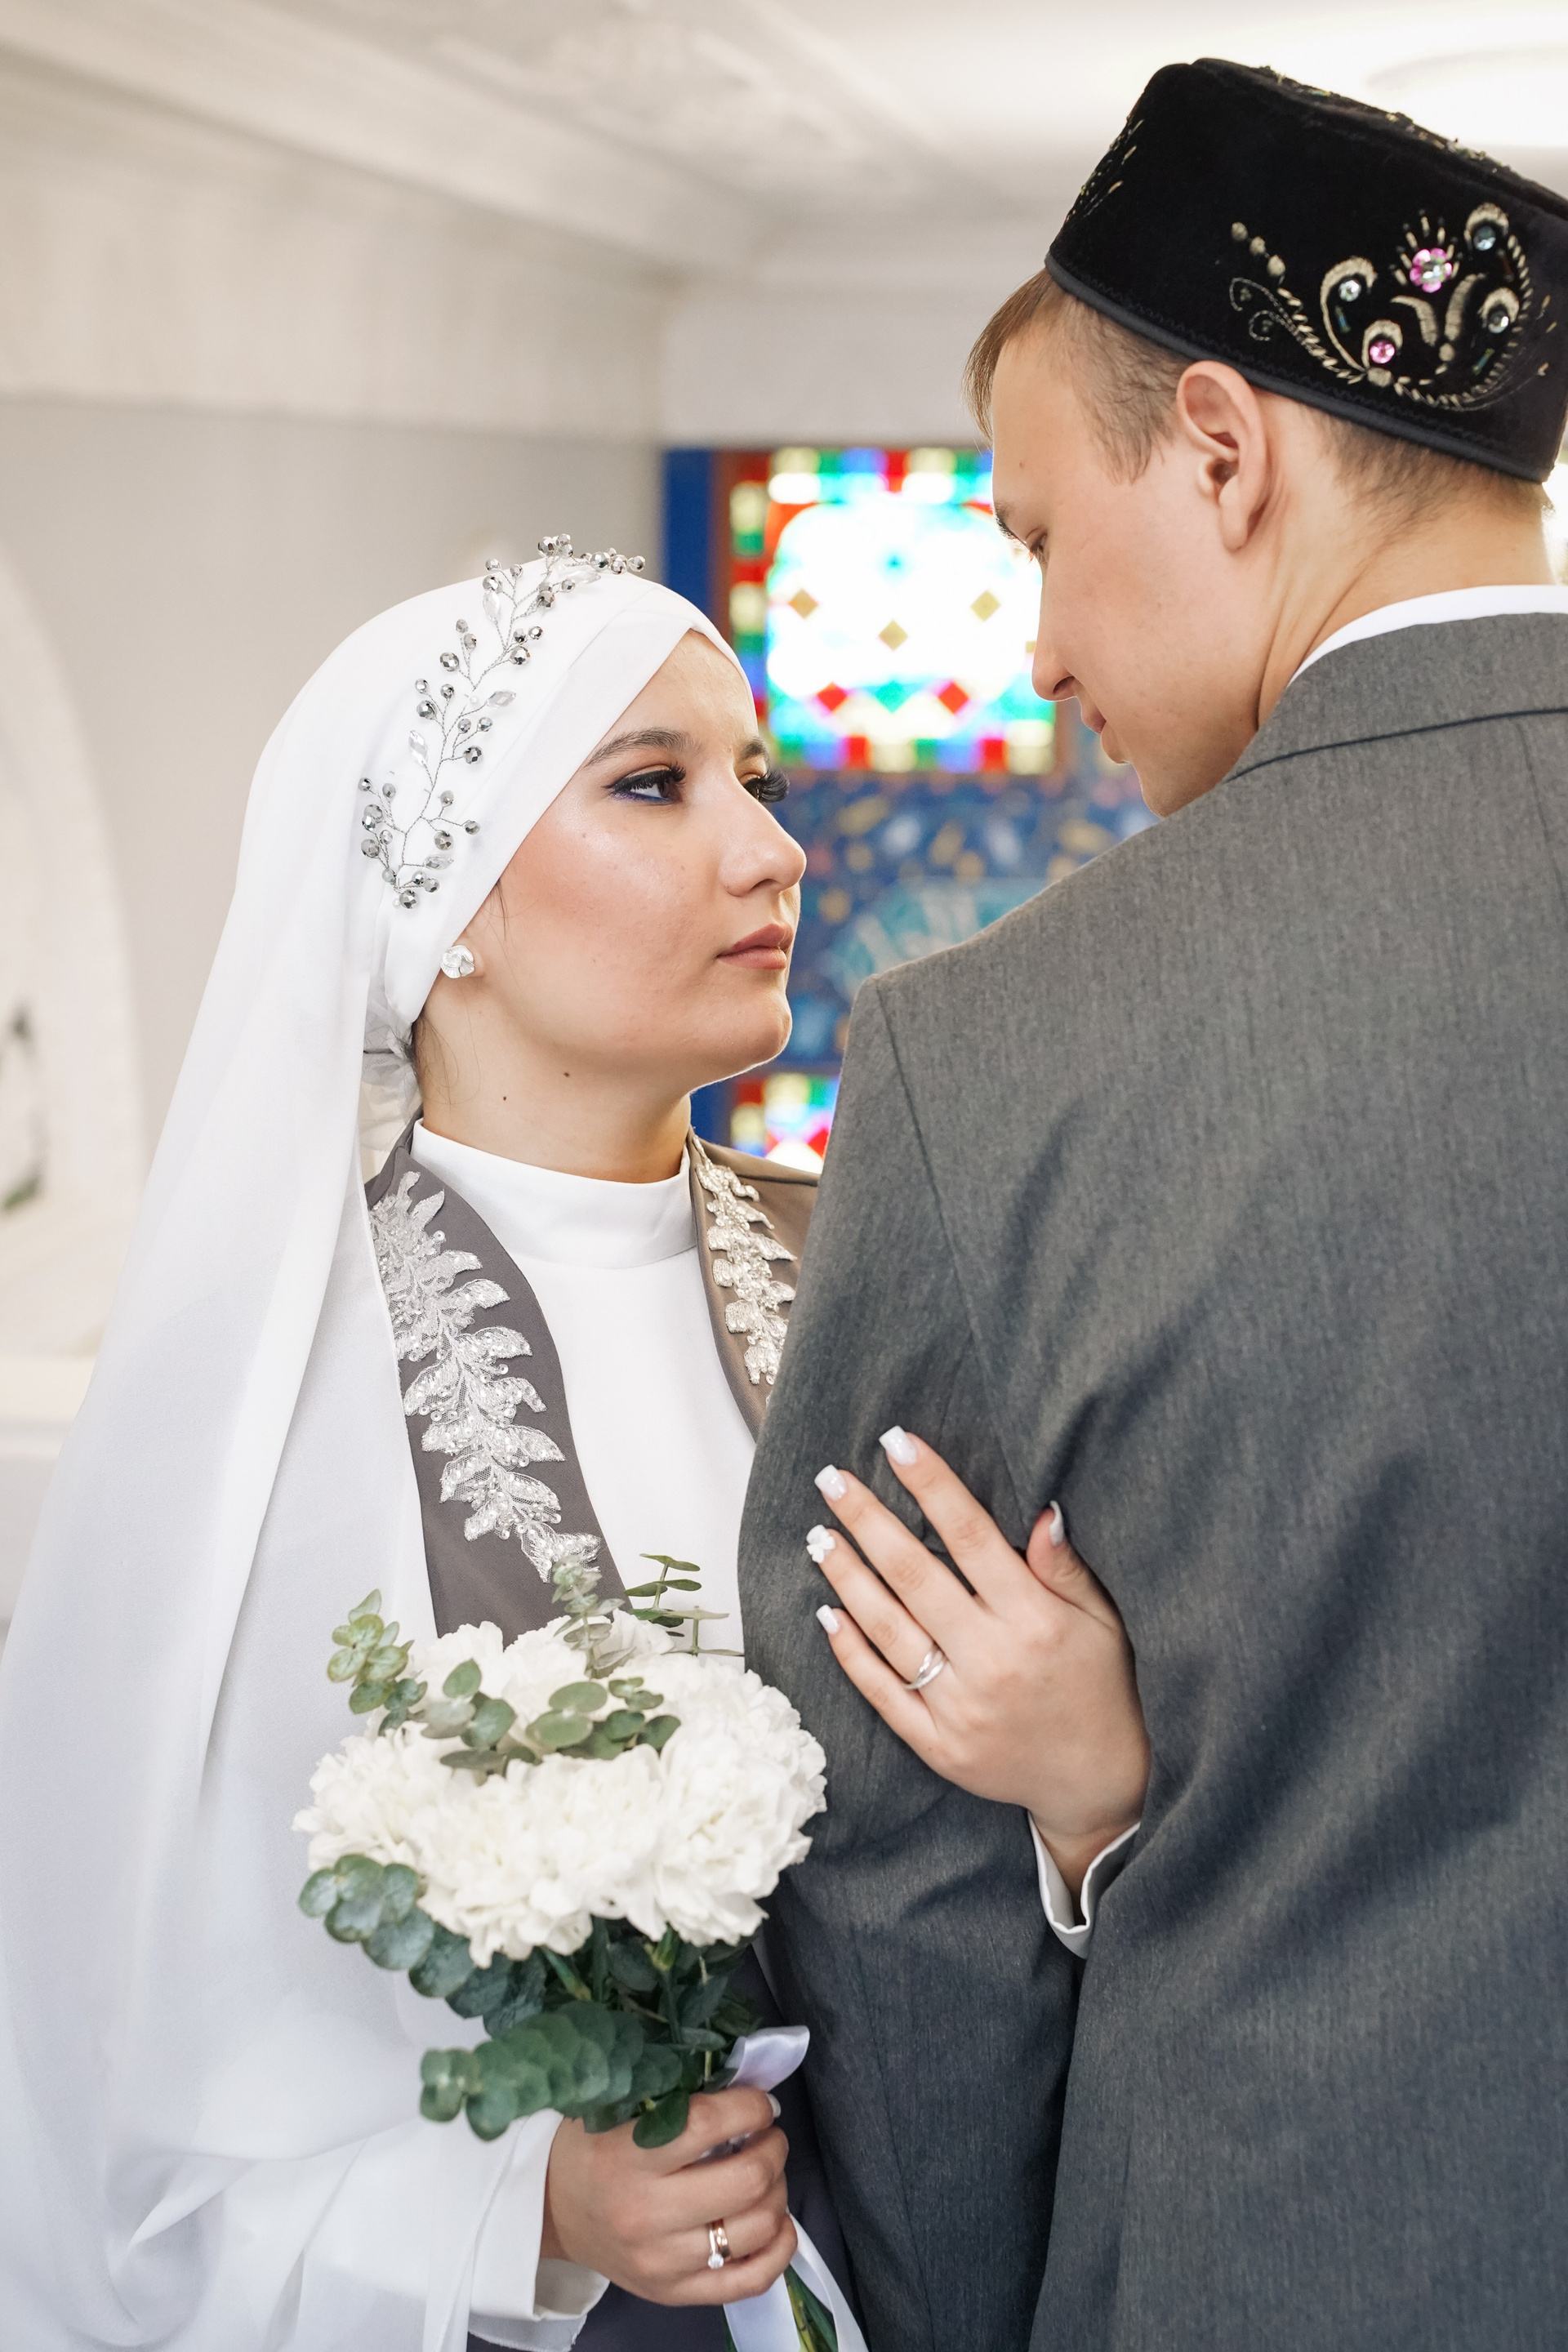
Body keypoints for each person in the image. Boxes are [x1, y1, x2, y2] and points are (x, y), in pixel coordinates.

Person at [0, 540, 1134, 2351]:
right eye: (653, 786)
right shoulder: (273, 1392)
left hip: (992, 2258)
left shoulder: (908, 1268)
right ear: (445, 897)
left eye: (757, 781)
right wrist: (523, 2207)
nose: (771, 851)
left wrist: (1092, 1808)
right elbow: (117, 2096)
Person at [740, 57, 1568, 2352]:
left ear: (1221, 449)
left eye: (1029, 537)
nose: (1037, 651)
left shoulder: (999, 1060)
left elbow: (893, 1883)